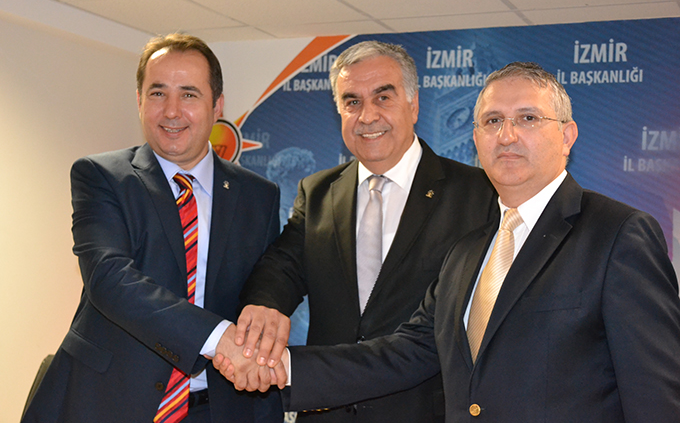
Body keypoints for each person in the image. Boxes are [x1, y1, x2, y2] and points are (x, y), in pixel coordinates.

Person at [217, 62, 680, 421]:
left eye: (528, 118)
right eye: (492, 121)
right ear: (476, 139)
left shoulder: (618, 234)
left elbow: (656, 397)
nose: (507, 135)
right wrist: (284, 367)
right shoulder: (468, 252)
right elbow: (406, 353)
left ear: (567, 135)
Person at [230, 40, 497, 422]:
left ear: (413, 104)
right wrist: (265, 307)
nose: (367, 116)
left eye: (383, 97)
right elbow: (283, 267)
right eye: (352, 101)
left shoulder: (477, 195)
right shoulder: (318, 192)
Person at [22, 34, 283, 423]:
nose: (171, 111)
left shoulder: (259, 195)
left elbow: (263, 287)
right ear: (139, 101)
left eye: (189, 94)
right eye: (158, 93)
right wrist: (217, 338)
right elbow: (110, 279)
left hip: (216, 407)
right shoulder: (101, 176)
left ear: (217, 106)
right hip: (109, 402)